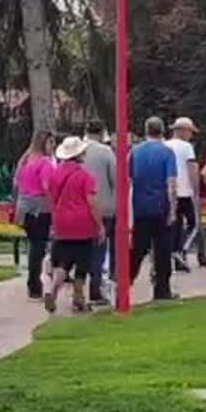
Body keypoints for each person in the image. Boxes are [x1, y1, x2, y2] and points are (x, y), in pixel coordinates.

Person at [42, 136, 102, 313]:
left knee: (62, 263)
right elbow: (92, 202)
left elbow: (50, 198)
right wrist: (100, 225)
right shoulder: (85, 176)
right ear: (79, 154)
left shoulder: (55, 174)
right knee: (82, 263)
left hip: (61, 223)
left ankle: (53, 290)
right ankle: (78, 298)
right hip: (83, 224)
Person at [128, 117, 181, 301]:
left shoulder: (135, 152)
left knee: (137, 249)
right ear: (163, 131)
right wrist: (173, 209)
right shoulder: (167, 152)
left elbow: (128, 180)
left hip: (140, 206)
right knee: (163, 250)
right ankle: (162, 289)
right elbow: (171, 183)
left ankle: (125, 283)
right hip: (161, 206)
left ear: (145, 130)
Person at [79, 119, 119, 305]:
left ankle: (79, 289)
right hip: (104, 207)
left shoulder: (76, 151)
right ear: (102, 132)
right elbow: (116, 179)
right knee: (101, 250)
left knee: (82, 250)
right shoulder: (105, 152)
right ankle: (99, 288)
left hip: (79, 207)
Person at [13, 129, 55, 301]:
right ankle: (34, 284)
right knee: (39, 247)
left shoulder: (25, 161)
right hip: (41, 208)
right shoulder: (45, 163)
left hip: (25, 207)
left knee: (34, 246)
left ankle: (33, 282)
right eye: (51, 142)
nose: (54, 146)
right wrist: (54, 208)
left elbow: (16, 184)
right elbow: (47, 188)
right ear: (43, 143)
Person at [167, 117, 205, 271]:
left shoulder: (165, 145)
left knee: (174, 224)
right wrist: (195, 191)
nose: (191, 135)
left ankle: (175, 252)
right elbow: (192, 169)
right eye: (190, 132)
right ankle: (182, 250)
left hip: (170, 191)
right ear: (182, 131)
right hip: (185, 191)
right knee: (193, 224)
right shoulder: (186, 147)